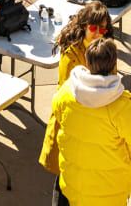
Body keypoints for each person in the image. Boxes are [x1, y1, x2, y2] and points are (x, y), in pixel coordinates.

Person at [39, 37, 131, 206]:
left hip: (72, 187)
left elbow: (58, 114)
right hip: (111, 195)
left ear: (87, 62)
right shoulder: (122, 106)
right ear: (113, 65)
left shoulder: (67, 91)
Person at [53, 0, 112, 87]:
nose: (97, 33)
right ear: (84, 26)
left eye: (102, 29)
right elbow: (63, 88)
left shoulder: (109, 49)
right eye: (93, 28)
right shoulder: (70, 55)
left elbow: (112, 78)